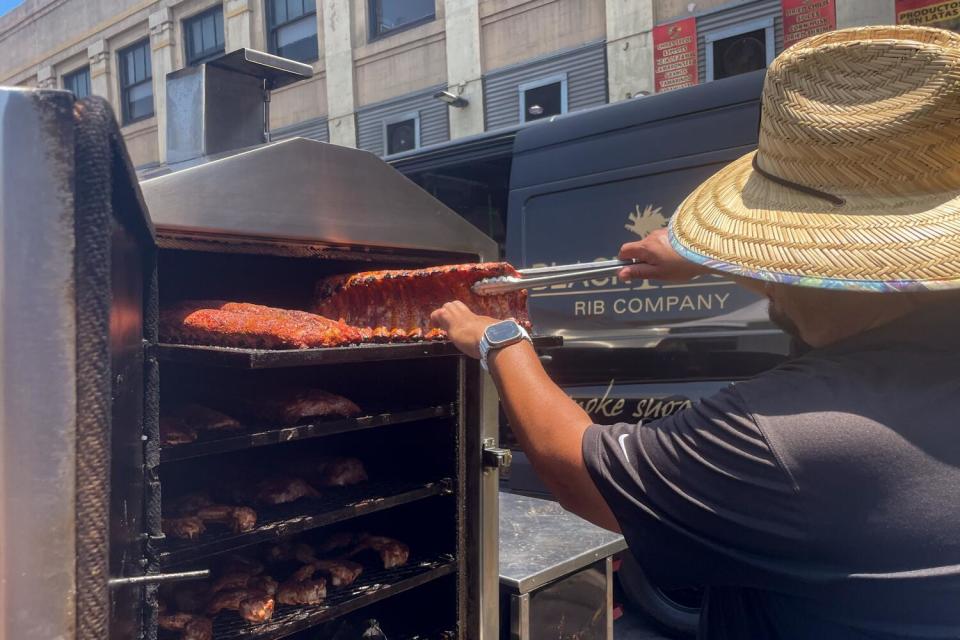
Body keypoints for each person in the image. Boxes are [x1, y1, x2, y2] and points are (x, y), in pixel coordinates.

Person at [431, 25, 960, 639]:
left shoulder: (796, 433)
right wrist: (711, 257)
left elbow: (577, 469)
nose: (763, 286)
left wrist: (500, 340)